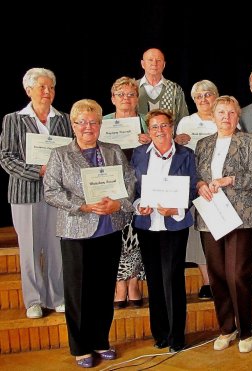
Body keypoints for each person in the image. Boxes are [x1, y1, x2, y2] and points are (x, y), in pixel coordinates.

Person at [43, 99, 135, 368]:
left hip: (109, 229)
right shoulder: (60, 154)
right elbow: (51, 192)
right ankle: (80, 346)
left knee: (103, 290)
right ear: (73, 125)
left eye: (93, 122)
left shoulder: (113, 150)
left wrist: (118, 204)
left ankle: (100, 340)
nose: (88, 127)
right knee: (78, 292)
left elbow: (129, 182)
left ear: (100, 124)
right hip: (76, 232)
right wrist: (81, 205)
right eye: (82, 122)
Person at [195, 95, 252, 353]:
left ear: (238, 116)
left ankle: (246, 330)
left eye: (231, 113)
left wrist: (229, 180)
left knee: (238, 274)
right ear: (213, 116)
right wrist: (201, 184)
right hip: (210, 216)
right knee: (217, 275)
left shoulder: (249, 141)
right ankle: (227, 328)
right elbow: (197, 177)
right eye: (221, 112)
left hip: (240, 216)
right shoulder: (202, 144)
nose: (226, 117)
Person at [0, 67, 71, 319]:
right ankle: (33, 300)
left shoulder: (63, 119)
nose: (47, 91)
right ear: (28, 90)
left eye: (50, 87)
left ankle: (58, 296)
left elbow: (70, 154)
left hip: (57, 194)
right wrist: (38, 171)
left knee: (56, 248)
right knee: (30, 249)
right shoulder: (13, 119)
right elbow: (6, 158)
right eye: (41, 87)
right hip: (25, 194)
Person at [131, 109, 196, 352]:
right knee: (155, 280)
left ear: (172, 128)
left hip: (174, 225)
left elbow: (191, 189)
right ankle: (159, 334)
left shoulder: (186, 154)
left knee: (173, 279)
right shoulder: (138, 154)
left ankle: (176, 336)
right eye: (155, 127)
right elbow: (133, 189)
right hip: (147, 225)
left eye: (164, 126)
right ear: (149, 131)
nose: (160, 131)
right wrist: (139, 206)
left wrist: (177, 208)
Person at [103, 76, 151, 309]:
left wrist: (149, 141)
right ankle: (119, 283)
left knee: (137, 234)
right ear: (112, 98)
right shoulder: (102, 123)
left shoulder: (146, 122)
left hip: (141, 186)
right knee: (118, 234)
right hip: (112, 186)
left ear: (137, 99)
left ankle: (134, 282)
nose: (126, 99)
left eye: (131, 95)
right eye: (121, 94)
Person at [175, 80, 219, 300]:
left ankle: (223, 278)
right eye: (199, 96)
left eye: (208, 94)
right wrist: (177, 141)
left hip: (220, 184)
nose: (204, 99)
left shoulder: (225, 116)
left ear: (216, 96)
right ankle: (207, 281)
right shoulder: (186, 122)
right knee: (198, 233)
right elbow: (177, 152)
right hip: (194, 182)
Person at [138, 48, 189, 126]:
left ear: (164, 64)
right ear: (143, 64)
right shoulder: (132, 89)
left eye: (158, 60)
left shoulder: (175, 89)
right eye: (150, 60)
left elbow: (184, 119)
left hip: (169, 138)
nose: (154, 63)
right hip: (138, 138)